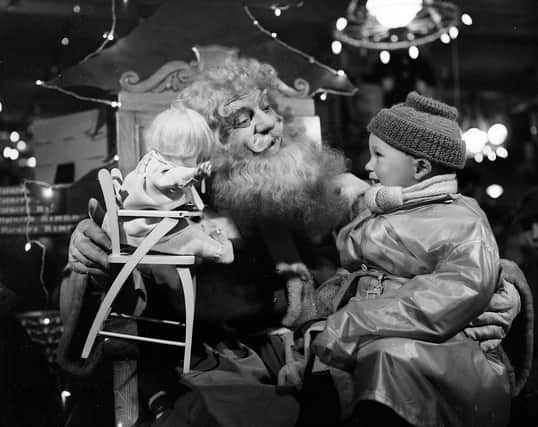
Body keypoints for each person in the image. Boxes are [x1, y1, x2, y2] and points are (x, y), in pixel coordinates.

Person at [61, 59, 522, 427]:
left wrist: (502, 288)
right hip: (228, 362)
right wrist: (93, 257)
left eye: (268, 107)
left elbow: (438, 234)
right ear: (208, 139)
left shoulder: (320, 190)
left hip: (331, 352)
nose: (269, 124)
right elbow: (126, 279)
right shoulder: (175, 205)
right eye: (244, 117)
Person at [306, 92, 515, 426]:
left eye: (378, 155)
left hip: (434, 350)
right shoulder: (389, 206)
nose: (368, 165)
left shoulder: (462, 219)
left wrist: (357, 320)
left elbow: (455, 291)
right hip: (372, 330)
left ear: (420, 168)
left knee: (385, 364)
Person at [117, 104, 233, 263]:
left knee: (194, 230)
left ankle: (216, 244)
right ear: (182, 150)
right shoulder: (161, 171)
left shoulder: (152, 160)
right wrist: (194, 172)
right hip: (149, 234)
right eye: (195, 156)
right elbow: (172, 177)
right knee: (193, 239)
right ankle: (220, 252)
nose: (197, 161)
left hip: (146, 226)